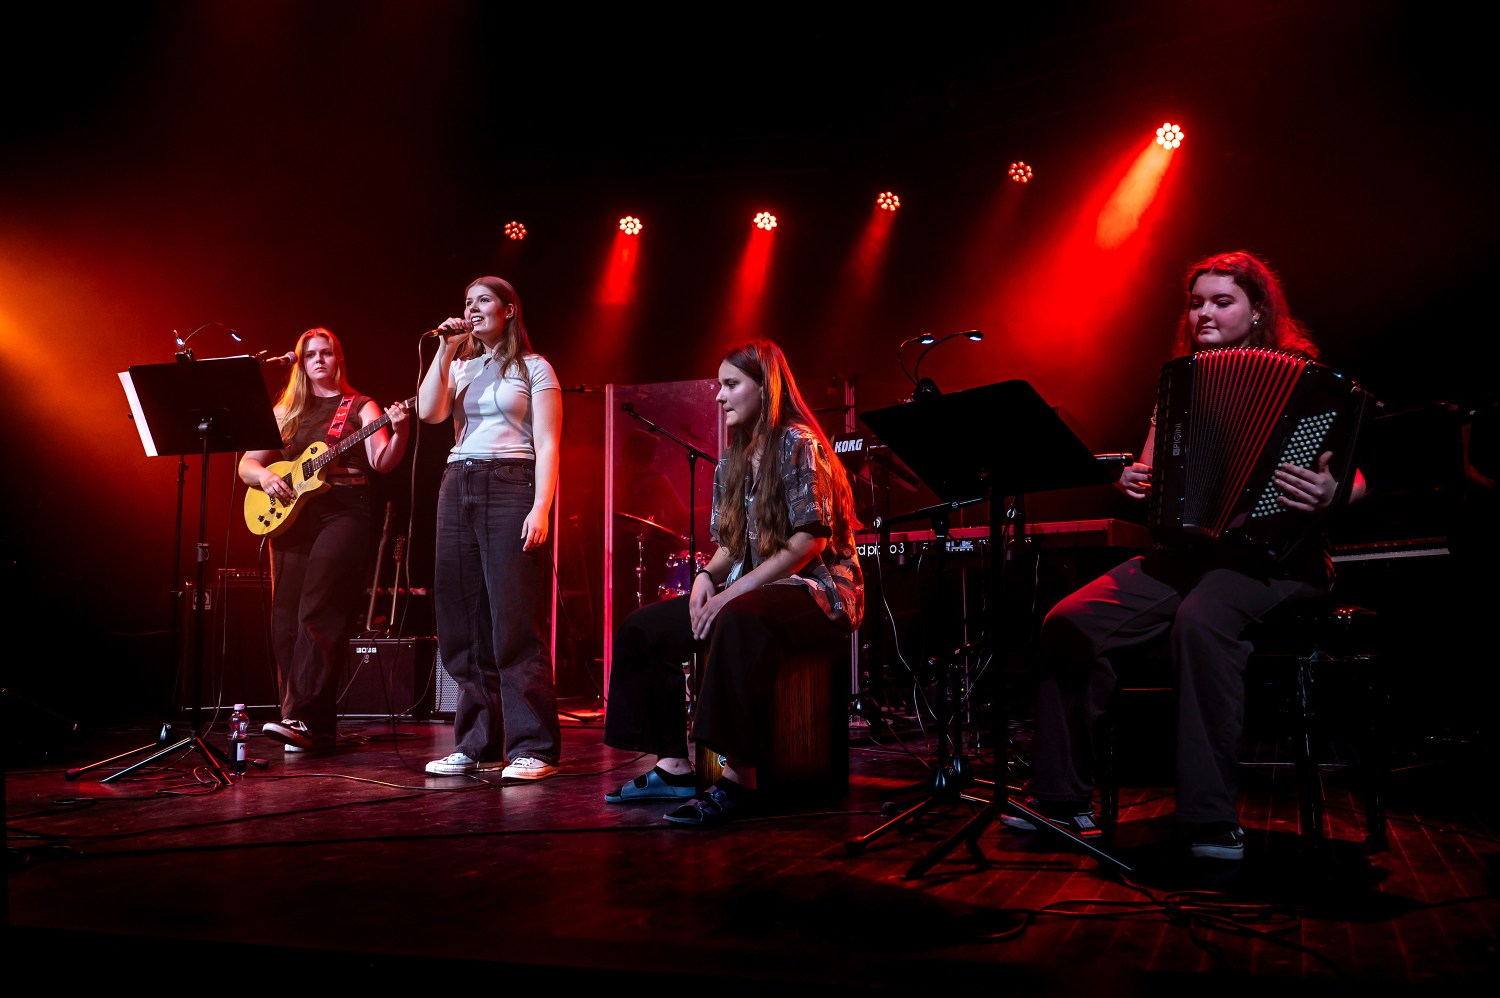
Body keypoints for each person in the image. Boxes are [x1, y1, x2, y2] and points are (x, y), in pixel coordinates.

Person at [1004, 250, 1368, 860]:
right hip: (1189, 554)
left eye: (1222, 301)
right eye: (1197, 303)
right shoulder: (1179, 383)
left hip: (1276, 557)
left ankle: (1209, 816)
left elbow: (1354, 477)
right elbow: (1151, 472)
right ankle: (1061, 799)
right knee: (1070, 621)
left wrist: (1334, 490)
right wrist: (1133, 480)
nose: (1205, 313)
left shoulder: (1309, 382)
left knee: (1201, 622)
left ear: (1258, 311)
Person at [602, 339, 864, 826]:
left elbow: (808, 542)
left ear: (765, 388)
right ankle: (673, 767)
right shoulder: (732, 460)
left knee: (739, 620)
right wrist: (707, 576)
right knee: (644, 629)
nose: (719, 396)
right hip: (755, 587)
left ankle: (741, 780)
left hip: (818, 590)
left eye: (730, 384)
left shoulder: (798, 444)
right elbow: (730, 544)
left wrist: (731, 596)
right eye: (719, 385)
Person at [417, 276, 563, 780]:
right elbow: (429, 412)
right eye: (467, 303)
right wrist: (445, 349)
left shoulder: (535, 368)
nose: (472, 309)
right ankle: (477, 744)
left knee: (513, 619)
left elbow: (548, 443)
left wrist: (541, 506)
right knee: (461, 621)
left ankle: (533, 747)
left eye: (483, 301)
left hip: (511, 482)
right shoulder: (461, 365)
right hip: (457, 482)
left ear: (509, 310)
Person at [239, 327, 411, 752]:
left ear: (339, 359)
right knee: (285, 620)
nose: (318, 360)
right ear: (300, 362)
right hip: (291, 516)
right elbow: (247, 465)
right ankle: (309, 722)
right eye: (311, 354)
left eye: (326, 353)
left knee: (319, 610)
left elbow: (382, 461)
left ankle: (303, 717)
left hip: (344, 511)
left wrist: (401, 430)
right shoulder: (285, 410)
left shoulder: (362, 406)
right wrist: (266, 477)